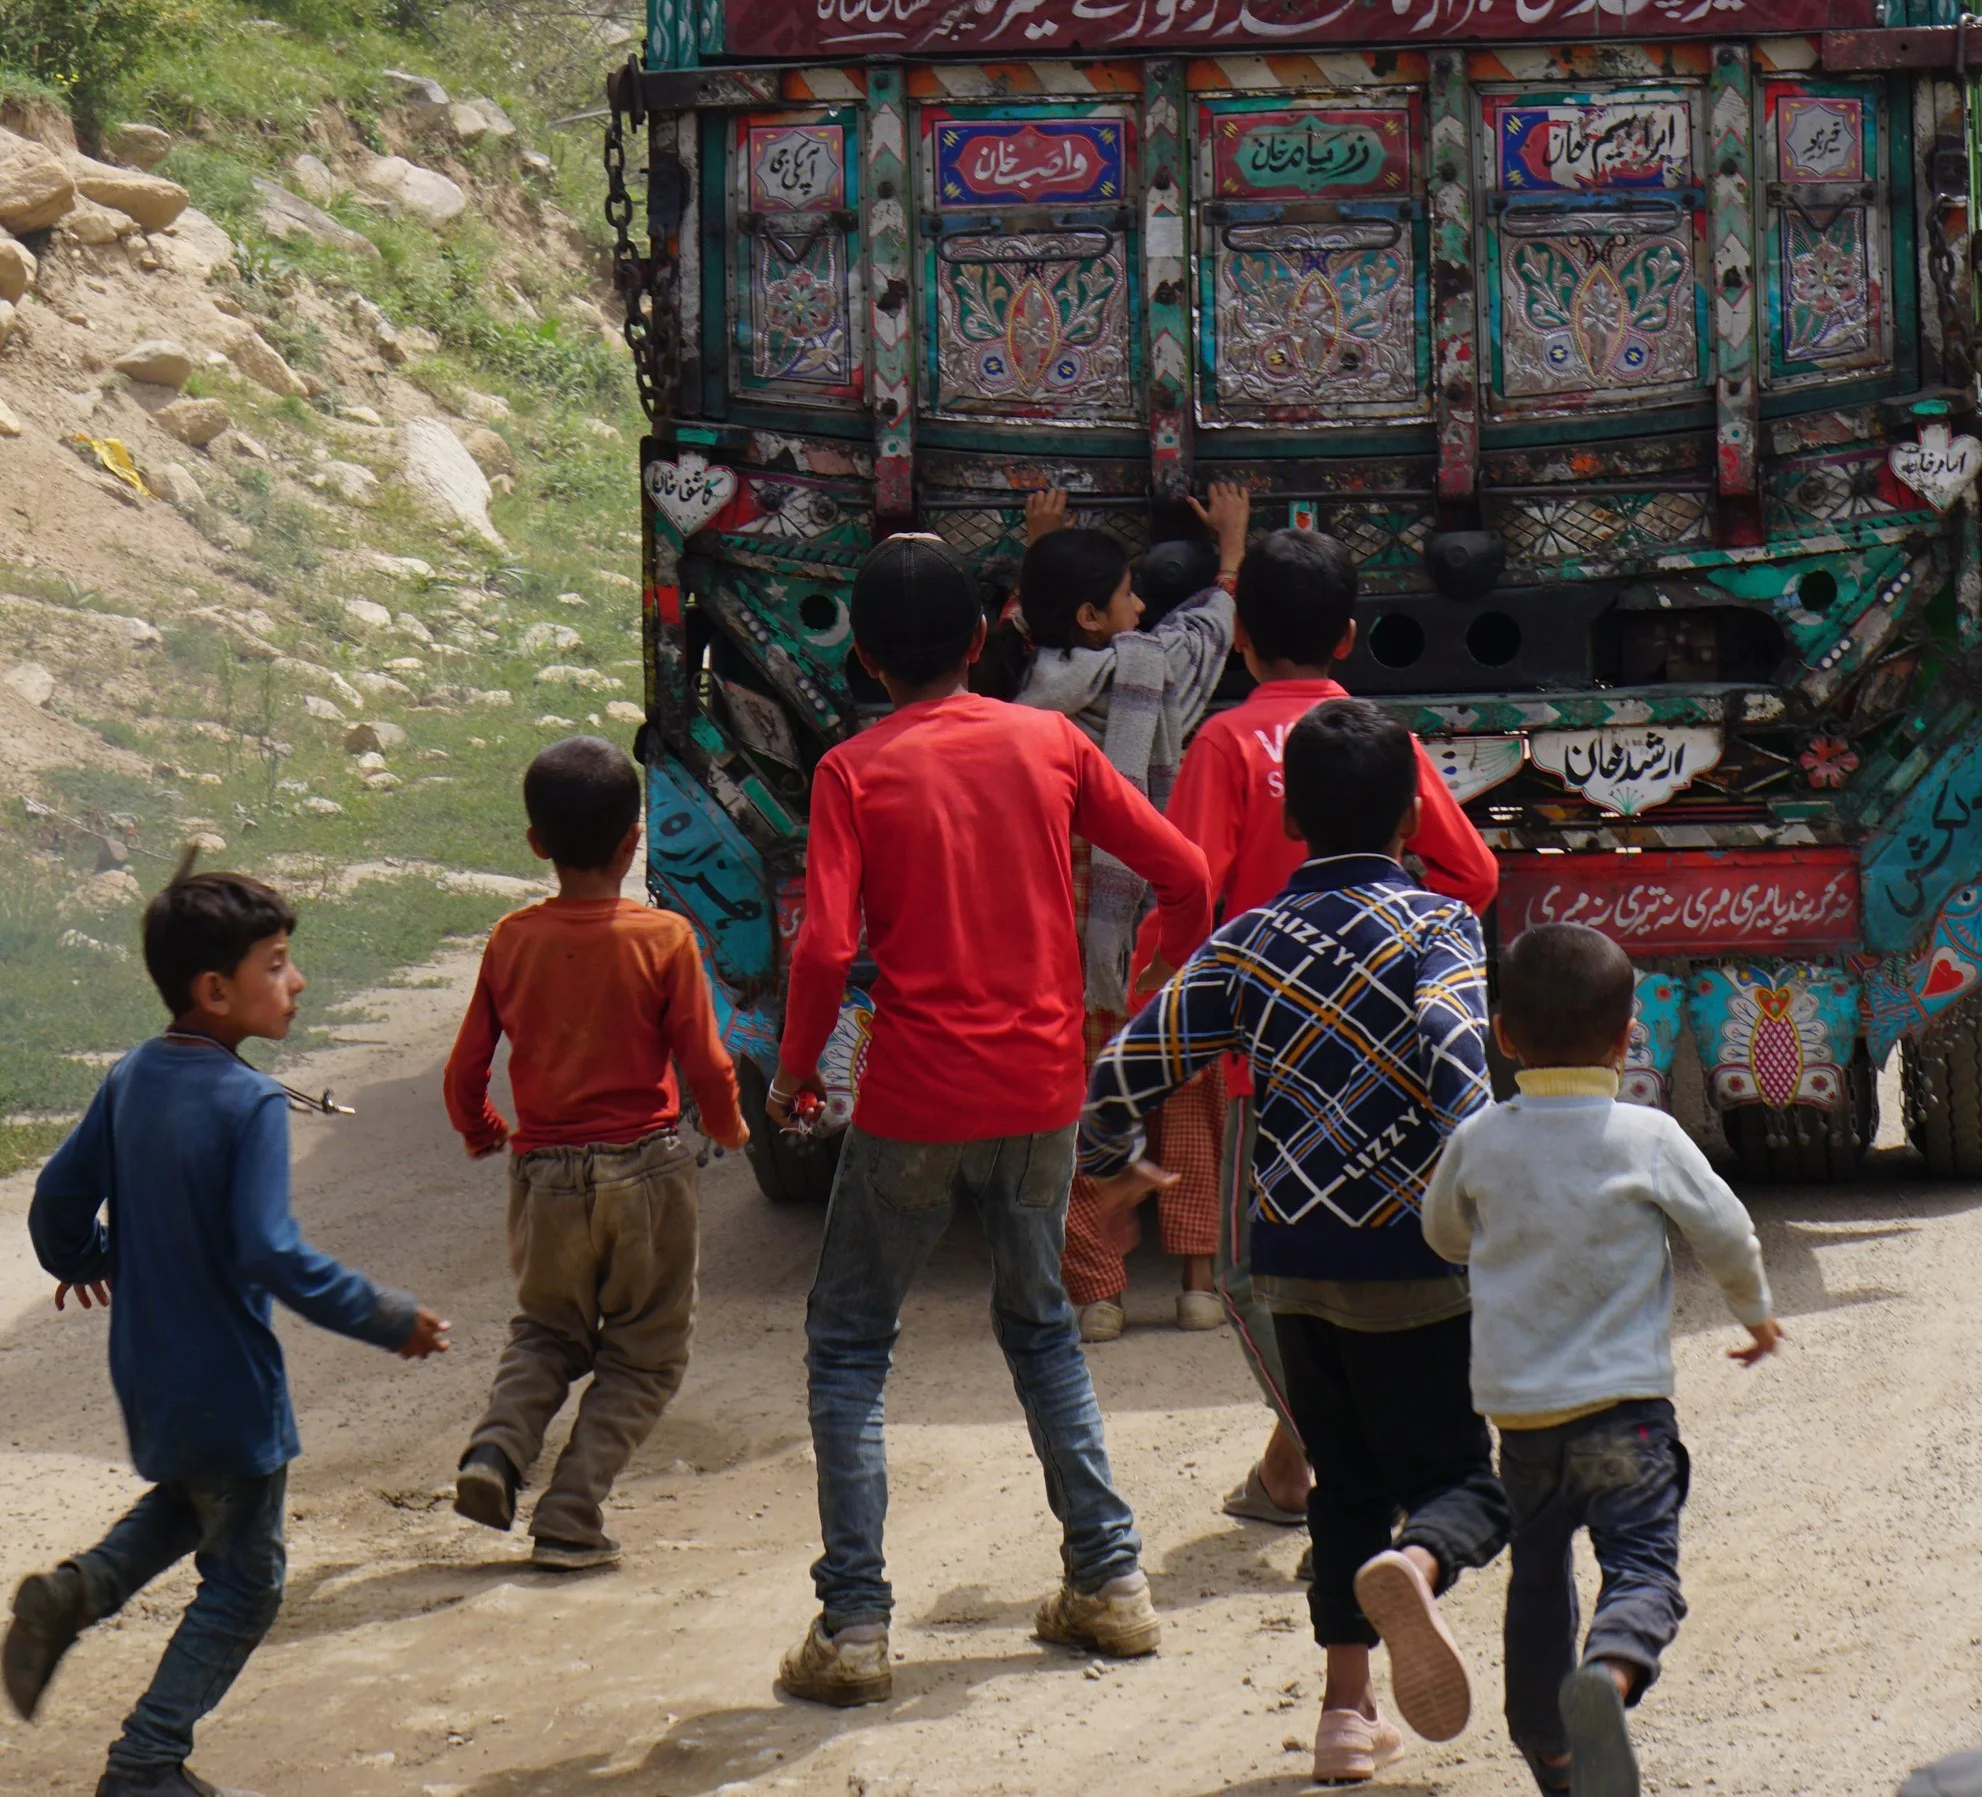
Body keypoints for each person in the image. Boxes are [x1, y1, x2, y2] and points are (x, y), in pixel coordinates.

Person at [769, 532, 1213, 1711]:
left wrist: (793, 1077)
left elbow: (820, 947)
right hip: (1040, 1090)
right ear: (980, 641)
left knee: (852, 1347)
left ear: (863, 657)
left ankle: (855, 1624)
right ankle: (1109, 1583)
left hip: (916, 1099)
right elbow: (1184, 875)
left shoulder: (853, 773)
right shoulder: (1052, 743)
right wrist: (1143, 995)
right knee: (1042, 1329)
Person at [1082, 693, 1506, 1790]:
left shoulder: (1249, 940)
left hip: (1292, 1260)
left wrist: (1113, 1163)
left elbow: (1121, 1069)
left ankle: (1343, 1719)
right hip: (1413, 1259)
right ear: (1415, 814)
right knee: (1466, 1486)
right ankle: (1417, 1566)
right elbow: (1459, 1072)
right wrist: (1493, 1218)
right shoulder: (1436, 928)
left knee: (1341, 1483)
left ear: (1296, 815)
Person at [8, 857, 448, 1791]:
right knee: (246, 1581)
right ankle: (147, 1760)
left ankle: (74, 1594)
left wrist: (87, 1258)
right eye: (278, 964)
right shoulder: (248, 1102)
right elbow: (271, 1253)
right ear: (216, 991)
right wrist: (388, 1318)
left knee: (194, 1500)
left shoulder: (132, 1076)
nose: (296, 982)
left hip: (150, 1372)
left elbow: (56, 1196)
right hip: (229, 1380)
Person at [1134, 521, 1500, 1533]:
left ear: (1241, 638)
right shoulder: (1379, 743)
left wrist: (1158, 1001)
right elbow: (1473, 874)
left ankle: (1330, 1464)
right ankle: (1295, 1467)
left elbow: (1191, 888)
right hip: (1392, 1063)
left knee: (1266, 1276)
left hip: (1271, 1068)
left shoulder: (1221, 743)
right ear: (1349, 637)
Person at [1420, 919, 1783, 1797]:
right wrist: (1756, 1313)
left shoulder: (1480, 1141)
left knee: (1538, 1579)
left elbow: (1442, 1235)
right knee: (1642, 1567)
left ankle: (1551, 1748)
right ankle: (1611, 1674)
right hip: (1627, 1415)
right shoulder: (1646, 1137)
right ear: (1629, 1037)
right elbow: (1726, 1230)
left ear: (1503, 1037)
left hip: (1526, 1421)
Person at [442, 732, 746, 1570]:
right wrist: (727, 1129)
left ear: (536, 842)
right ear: (632, 842)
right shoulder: (664, 940)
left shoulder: (511, 940)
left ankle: (496, 1453)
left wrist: (483, 1130)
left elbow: (467, 1067)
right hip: (646, 1170)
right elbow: (706, 1062)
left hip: (544, 1176)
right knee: (645, 1353)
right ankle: (571, 1512)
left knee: (546, 1332)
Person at [977, 479, 1248, 1338]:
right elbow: (1209, 630)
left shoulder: (1019, 691)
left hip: (1070, 928)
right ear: (1096, 617)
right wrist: (1231, 553)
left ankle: (1097, 1292)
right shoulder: (1151, 671)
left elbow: (1010, 633)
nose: (1143, 605)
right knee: (1189, 1091)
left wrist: (1037, 552)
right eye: (1130, 594)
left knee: (1083, 1094)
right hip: (1153, 925)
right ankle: (1200, 1280)